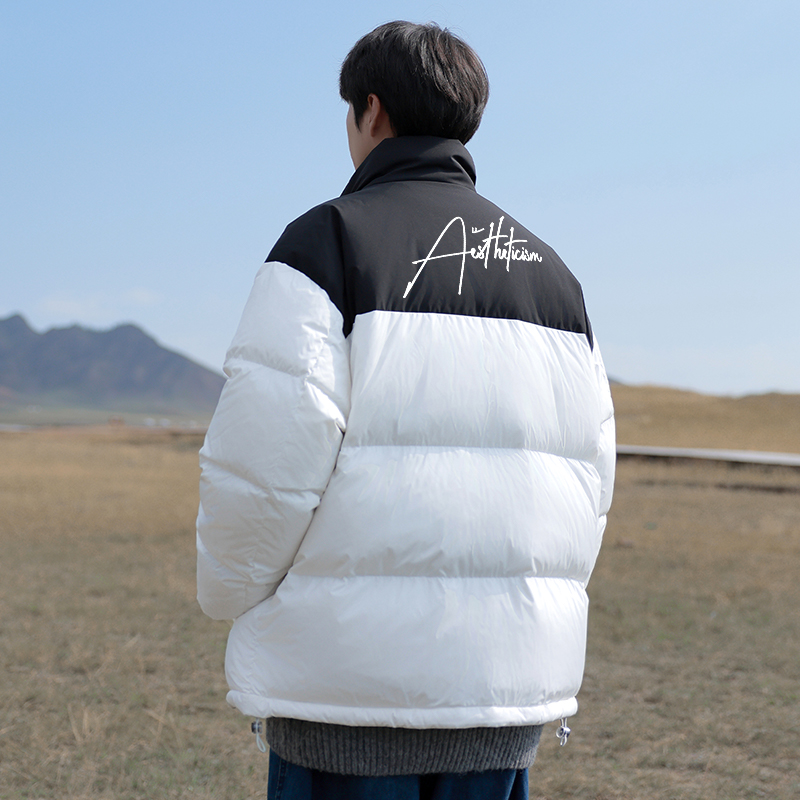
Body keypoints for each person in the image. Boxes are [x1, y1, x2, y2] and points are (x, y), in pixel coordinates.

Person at [196, 20, 615, 800]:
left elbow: (263, 471)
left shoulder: (325, 244)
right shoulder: (556, 280)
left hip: (345, 699)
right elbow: (589, 489)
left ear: (372, 111)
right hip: (501, 695)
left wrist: (227, 592)